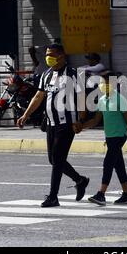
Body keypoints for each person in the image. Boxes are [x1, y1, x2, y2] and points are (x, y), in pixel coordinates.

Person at [17, 43, 90, 208]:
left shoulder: (73, 75)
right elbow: (38, 96)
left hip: (67, 123)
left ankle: (53, 197)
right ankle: (80, 180)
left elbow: (81, 98)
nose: (48, 57)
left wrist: (81, 120)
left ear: (62, 56)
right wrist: (25, 115)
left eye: (51, 54)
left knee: (57, 159)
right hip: (50, 123)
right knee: (53, 159)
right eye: (46, 54)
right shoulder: (46, 74)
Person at [74, 70, 127, 206]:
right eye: (102, 82)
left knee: (108, 163)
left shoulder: (120, 99)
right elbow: (96, 120)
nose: (104, 84)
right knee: (118, 165)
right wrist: (81, 127)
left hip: (119, 137)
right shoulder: (101, 100)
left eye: (107, 82)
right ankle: (126, 194)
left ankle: (101, 194)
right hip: (110, 137)